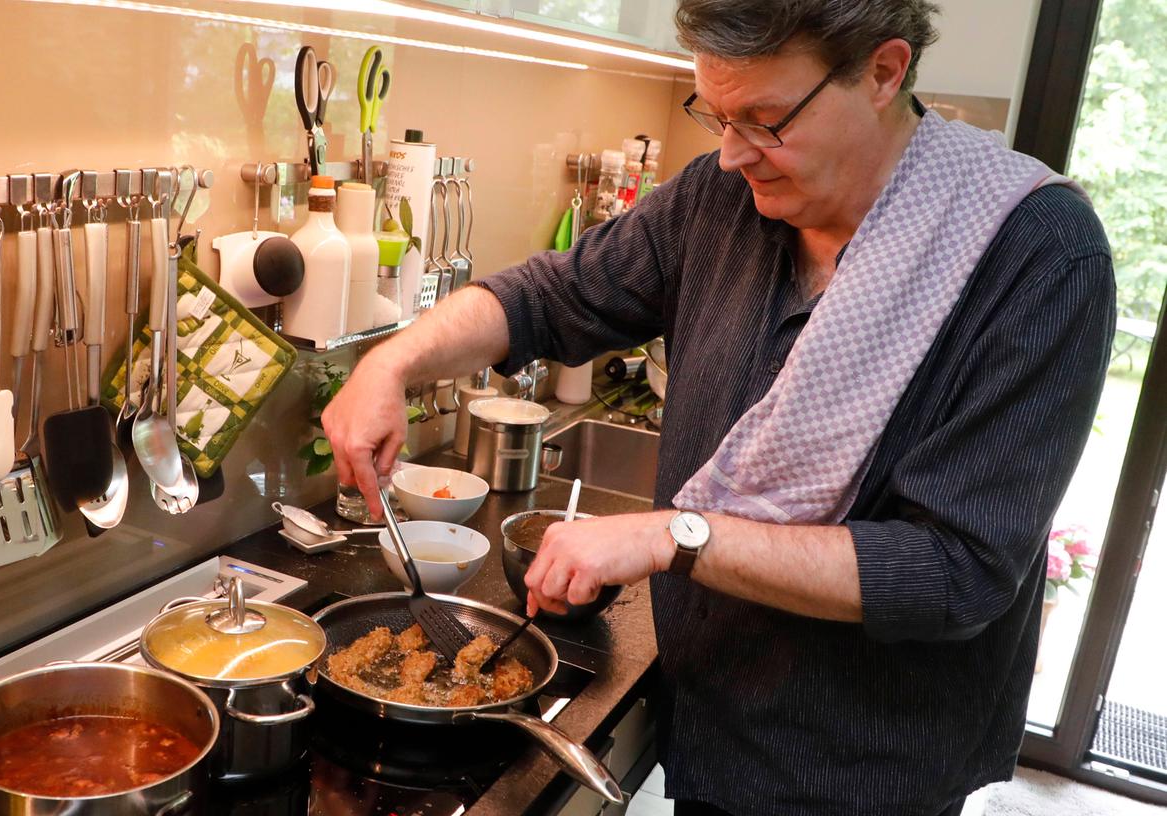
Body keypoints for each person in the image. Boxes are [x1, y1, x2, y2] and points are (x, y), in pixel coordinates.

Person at [321, 1, 1115, 813]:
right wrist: (395, 361)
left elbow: (954, 573)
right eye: (718, 115)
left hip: (869, 770)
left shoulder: (1036, 256)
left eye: (766, 121)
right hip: (709, 724)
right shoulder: (720, 200)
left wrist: (672, 534)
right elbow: (550, 298)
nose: (733, 156)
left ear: (884, 72)